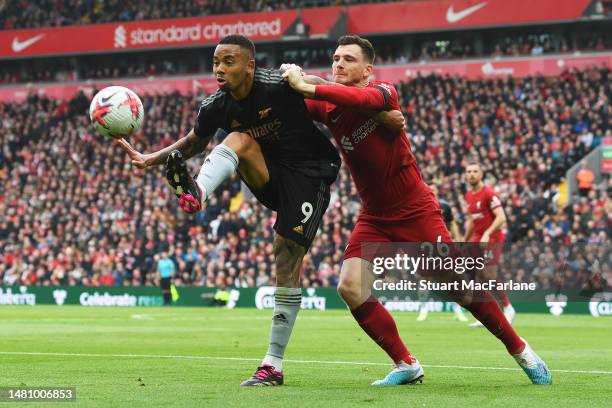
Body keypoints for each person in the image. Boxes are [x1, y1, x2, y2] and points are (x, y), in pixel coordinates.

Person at [116, 35, 396, 387]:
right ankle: (197, 193)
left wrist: (385, 114)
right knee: (238, 139)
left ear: (250, 64)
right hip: (267, 172)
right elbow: (194, 141)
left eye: (228, 61)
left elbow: (326, 89)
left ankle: (272, 363)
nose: (219, 68)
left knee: (285, 256)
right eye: (216, 62)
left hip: (309, 174)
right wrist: (151, 158)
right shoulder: (215, 105)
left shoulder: (278, 86)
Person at [282, 34, 550, 385]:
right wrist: (287, 74)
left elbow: (355, 97)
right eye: (335, 58)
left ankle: (521, 351)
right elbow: (295, 97)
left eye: (348, 59)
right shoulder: (331, 105)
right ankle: (406, 363)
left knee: (460, 289)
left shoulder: (383, 93)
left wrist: (308, 85)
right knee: (350, 287)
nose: (338, 64)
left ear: (367, 69)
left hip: (415, 211)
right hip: (375, 216)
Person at [463, 162, 516, 326]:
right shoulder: (469, 195)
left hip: (492, 238)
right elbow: (473, 221)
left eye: (475, 171)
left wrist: (486, 233)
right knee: (477, 277)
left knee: (489, 275)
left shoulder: (489, 194)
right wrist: (465, 241)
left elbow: (501, 217)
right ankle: (489, 314)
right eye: (469, 171)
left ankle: (508, 308)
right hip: (477, 239)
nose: (471, 174)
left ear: (481, 174)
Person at [416, 183, 468, 322]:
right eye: (429, 188)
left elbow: (453, 224)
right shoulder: (419, 205)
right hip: (426, 247)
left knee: (452, 279)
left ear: (437, 191)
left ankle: (457, 310)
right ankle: (423, 309)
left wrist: (458, 242)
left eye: (433, 189)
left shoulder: (444, 206)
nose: (431, 191)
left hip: (445, 247)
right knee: (424, 280)